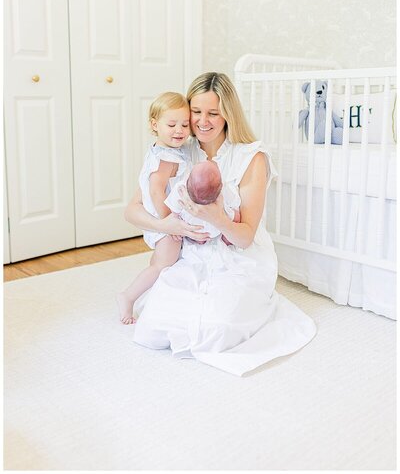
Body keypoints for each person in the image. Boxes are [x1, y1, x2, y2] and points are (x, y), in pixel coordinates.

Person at [124, 72, 316, 376]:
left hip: (239, 254)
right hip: (191, 252)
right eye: (196, 112)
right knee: (154, 329)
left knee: (216, 331)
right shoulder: (176, 149)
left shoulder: (252, 157)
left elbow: (244, 237)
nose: (202, 121)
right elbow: (132, 210)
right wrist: (169, 227)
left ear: (228, 113)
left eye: (213, 113)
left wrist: (216, 217)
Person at [117, 91, 192, 324]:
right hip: (164, 219)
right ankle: (128, 296)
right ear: (154, 124)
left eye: (185, 124)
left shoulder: (160, 150)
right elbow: (156, 190)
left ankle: (145, 295)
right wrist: (170, 223)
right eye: (171, 124)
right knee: (163, 264)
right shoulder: (166, 158)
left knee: (158, 261)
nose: (179, 130)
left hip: (157, 217)